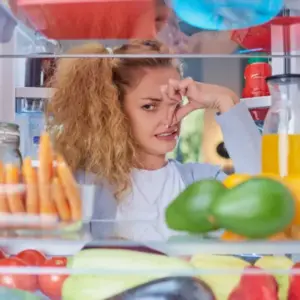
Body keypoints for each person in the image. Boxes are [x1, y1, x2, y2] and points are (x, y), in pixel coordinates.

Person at [47, 39, 261, 241]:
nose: (170, 119)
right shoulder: (83, 184)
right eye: (150, 106)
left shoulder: (203, 181)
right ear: (113, 110)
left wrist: (225, 99)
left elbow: (264, 202)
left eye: (175, 105)